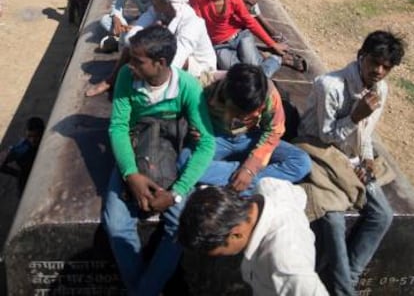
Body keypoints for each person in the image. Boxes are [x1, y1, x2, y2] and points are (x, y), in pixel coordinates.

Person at [103, 25, 215, 296]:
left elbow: (207, 144)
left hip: (169, 154)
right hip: (135, 151)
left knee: (180, 223)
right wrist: (130, 174)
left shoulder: (187, 86)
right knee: (115, 223)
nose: (130, 65)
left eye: (138, 61)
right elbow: (118, 127)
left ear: (161, 63)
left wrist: (176, 193)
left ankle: (144, 290)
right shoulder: (127, 80)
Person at [298, 30, 405, 296]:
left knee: (382, 215)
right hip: (317, 152)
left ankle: (348, 278)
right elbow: (326, 135)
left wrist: (367, 158)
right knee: (332, 218)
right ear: (361, 57)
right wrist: (355, 117)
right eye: (374, 62)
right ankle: (344, 290)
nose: (378, 71)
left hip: (351, 159)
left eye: (386, 67)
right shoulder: (329, 85)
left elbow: (366, 134)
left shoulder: (380, 89)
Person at [178, 180, 328, 296]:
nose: (219, 257)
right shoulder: (269, 186)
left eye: (220, 253)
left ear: (236, 233)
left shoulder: (285, 262)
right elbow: (299, 194)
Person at [87, 0, 216, 98]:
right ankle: (111, 80)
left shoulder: (192, 23)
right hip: (168, 58)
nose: (152, 0)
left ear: (167, 2)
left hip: (199, 70)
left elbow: (175, 61)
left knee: (155, 57)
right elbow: (132, 37)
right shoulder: (158, 10)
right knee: (133, 47)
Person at [183, 63, 311, 191]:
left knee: (301, 162)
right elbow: (182, 109)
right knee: (184, 162)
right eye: (237, 112)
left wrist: (250, 168)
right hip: (214, 137)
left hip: (249, 137)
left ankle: (236, 180)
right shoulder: (204, 85)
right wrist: (195, 126)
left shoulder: (268, 93)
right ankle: (242, 183)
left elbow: (274, 130)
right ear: (227, 95)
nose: (242, 119)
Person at [189, 0, 292, 78]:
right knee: (241, 76)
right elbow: (198, 22)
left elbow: (249, 21)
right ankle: (273, 60)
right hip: (218, 45)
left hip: (240, 37)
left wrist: (272, 44)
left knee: (254, 69)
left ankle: (271, 58)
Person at [0, 117, 45, 194]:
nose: (32, 140)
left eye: (36, 136)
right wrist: (18, 174)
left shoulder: (45, 143)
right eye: (29, 136)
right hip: (27, 187)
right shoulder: (22, 148)